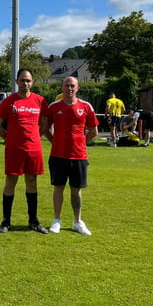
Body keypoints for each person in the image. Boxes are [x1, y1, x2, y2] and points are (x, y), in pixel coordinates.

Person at [0, 69, 49, 234]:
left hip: (33, 149)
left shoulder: (40, 101)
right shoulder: (9, 102)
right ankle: (6, 221)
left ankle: (33, 221)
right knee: (10, 182)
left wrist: (35, 137)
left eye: (28, 80)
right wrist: (10, 139)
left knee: (32, 182)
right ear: (17, 81)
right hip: (14, 150)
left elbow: (45, 124)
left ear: (32, 82)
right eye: (22, 80)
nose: (25, 83)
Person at [44, 77, 98, 236]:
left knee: (76, 189)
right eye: (67, 85)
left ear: (77, 88)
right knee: (58, 187)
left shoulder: (86, 106)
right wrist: (55, 142)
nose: (69, 88)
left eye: (72, 86)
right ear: (62, 87)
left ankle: (77, 221)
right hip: (58, 155)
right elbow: (46, 128)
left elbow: (93, 131)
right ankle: (56, 220)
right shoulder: (54, 107)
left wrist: (81, 142)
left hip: (79, 156)